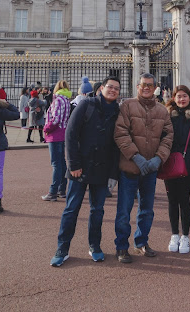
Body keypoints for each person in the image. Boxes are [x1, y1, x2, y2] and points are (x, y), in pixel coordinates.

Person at [50, 76, 121, 266]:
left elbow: (117, 145)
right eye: (110, 87)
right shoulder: (86, 105)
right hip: (79, 167)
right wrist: (73, 164)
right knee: (71, 209)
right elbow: (71, 134)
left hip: (102, 168)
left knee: (97, 210)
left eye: (117, 88)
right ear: (101, 88)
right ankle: (62, 247)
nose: (113, 90)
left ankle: (95, 246)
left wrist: (114, 174)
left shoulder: (118, 112)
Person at [113, 73, 173, 263]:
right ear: (137, 87)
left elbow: (168, 137)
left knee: (147, 210)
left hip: (151, 169)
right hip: (130, 167)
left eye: (150, 85)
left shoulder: (163, 111)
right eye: (143, 85)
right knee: (124, 210)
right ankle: (122, 246)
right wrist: (135, 157)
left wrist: (159, 159)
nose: (146, 87)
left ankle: (141, 242)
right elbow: (120, 133)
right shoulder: (127, 106)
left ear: (155, 87)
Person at [164, 85, 190, 254]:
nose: (181, 99)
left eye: (184, 96)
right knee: (172, 200)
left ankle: (185, 235)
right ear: (174, 98)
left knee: (184, 201)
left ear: (189, 98)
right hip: (170, 163)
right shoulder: (167, 117)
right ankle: (174, 234)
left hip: (187, 164)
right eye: (178, 96)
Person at [42, 80, 72, 201]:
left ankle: (53, 191)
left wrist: (46, 128)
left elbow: (56, 119)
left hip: (55, 134)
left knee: (56, 164)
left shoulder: (58, 100)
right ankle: (61, 189)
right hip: (62, 133)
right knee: (61, 163)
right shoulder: (66, 100)